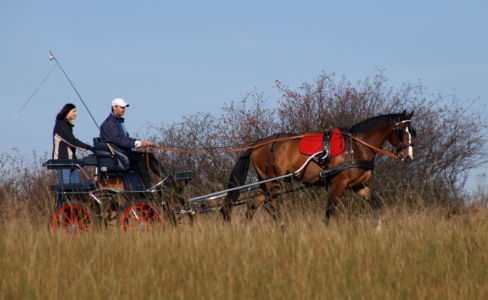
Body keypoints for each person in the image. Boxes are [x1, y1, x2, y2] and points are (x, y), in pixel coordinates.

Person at [99, 98, 174, 189]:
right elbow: (119, 140)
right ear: (114, 107)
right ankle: (149, 187)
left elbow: (125, 139)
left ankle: (169, 181)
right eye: (122, 107)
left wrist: (141, 142)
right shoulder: (109, 123)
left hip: (123, 153)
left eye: (124, 107)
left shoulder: (117, 121)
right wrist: (138, 143)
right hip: (118, 155)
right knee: (141, 159)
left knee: (149, 156)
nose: (124, 109)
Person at [52, 103, 93, 184]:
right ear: (67, 112)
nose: (76, 113)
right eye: (74, 111)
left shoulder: (67, 125)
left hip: (72, 161)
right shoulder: (61, 125)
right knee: (65, 189)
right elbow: (72, 141)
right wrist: (89, 147)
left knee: (75, 189)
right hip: (62, 162)